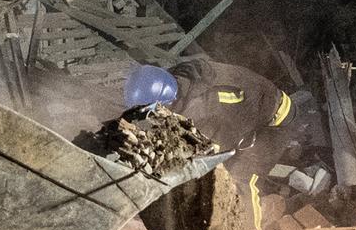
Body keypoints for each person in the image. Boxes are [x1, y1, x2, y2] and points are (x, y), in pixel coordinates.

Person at [124, 57, 296, 177]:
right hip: (255, 100)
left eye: (154, 111)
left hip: (275, 120)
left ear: (166, 102)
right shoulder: (178, 77)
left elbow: (219, 143)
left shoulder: (211, 103)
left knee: (240, 176)